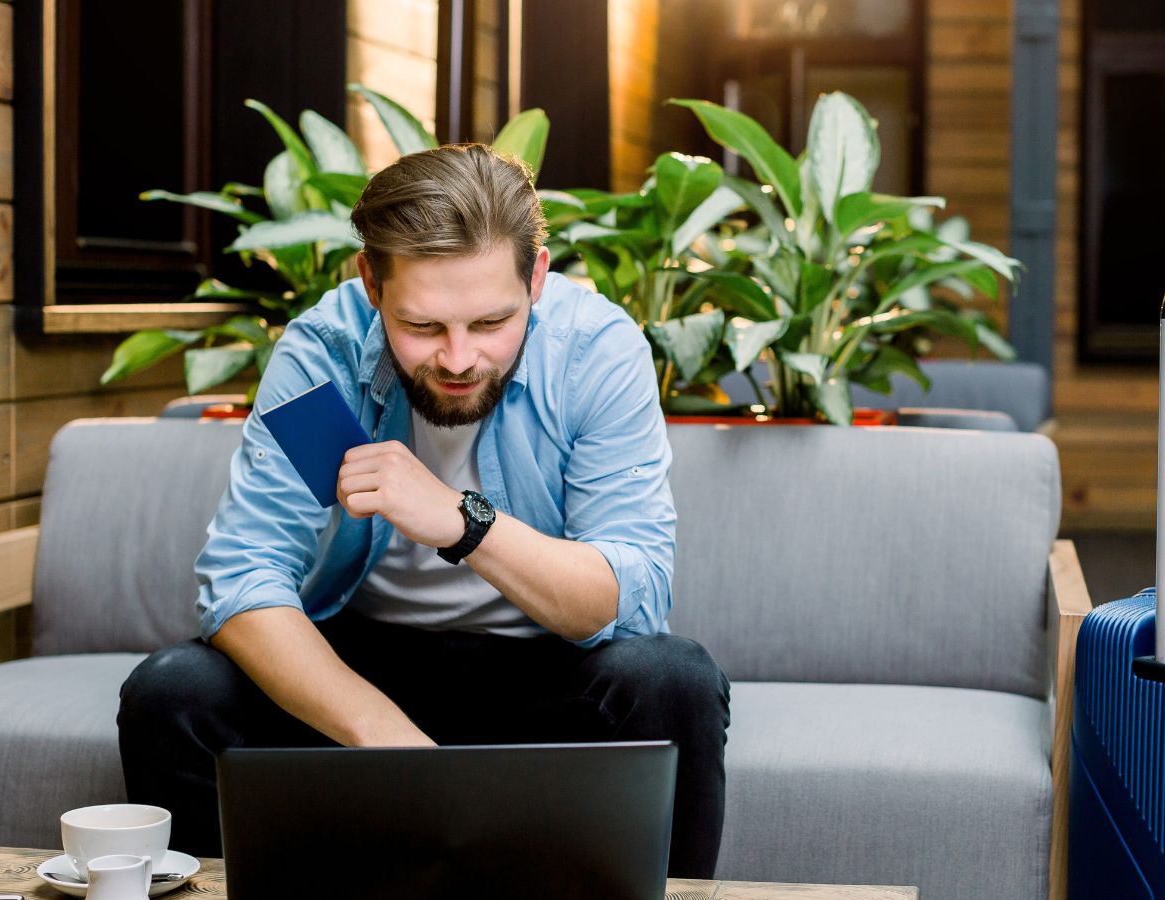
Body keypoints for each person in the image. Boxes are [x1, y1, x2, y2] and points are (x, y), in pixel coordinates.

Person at [116, 143, 730, 878]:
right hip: (363, 669)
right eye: (425, 327)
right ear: (371, 284)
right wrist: (402, 755)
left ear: (536, 276)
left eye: (491, 322)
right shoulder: (328, 361)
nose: (460, 358)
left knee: (674, 681)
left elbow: (630, 598)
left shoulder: (593, 353)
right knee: (171, 693)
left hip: (544, 672)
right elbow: (246, 578)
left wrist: (465, 524)